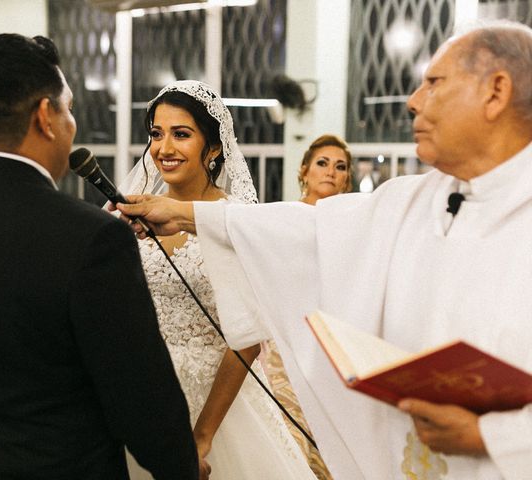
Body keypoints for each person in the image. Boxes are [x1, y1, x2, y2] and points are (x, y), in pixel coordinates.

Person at [114, 20, 532, 479]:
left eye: (433, 83)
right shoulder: (418, 197)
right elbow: (313, 232)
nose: (413, 100)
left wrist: (494, 437)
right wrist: (187, 215)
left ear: (495, 92)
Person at [0, 34, 205, 480]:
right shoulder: (91, 238)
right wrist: (182, 468)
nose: (72, 123)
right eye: (69, 108)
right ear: (46, 117)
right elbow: (140, 397)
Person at [119, 80, 317, 480]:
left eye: (181, 135)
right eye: (156, 134)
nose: (164, 148)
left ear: (212, 149)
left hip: (220, 405)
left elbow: (246, 340)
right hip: (146, 398)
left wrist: (203, 435)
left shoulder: (233, 220)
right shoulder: (131, 215)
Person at [261, 133, 355, 480]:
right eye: (322, 163)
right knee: (289, 433)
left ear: (347, 179)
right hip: (286, 341)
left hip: (332, 344)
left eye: (340, 166)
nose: (331, 171)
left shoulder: (351, 226)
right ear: (304, 171)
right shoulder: (280, 219)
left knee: (330, 438)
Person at [298, 134, 353, 204]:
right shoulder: (284, 212)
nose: (330, 173)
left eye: (340, 167)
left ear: (346, 180)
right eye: (322, 163)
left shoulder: (355, 214)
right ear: (305, 173)